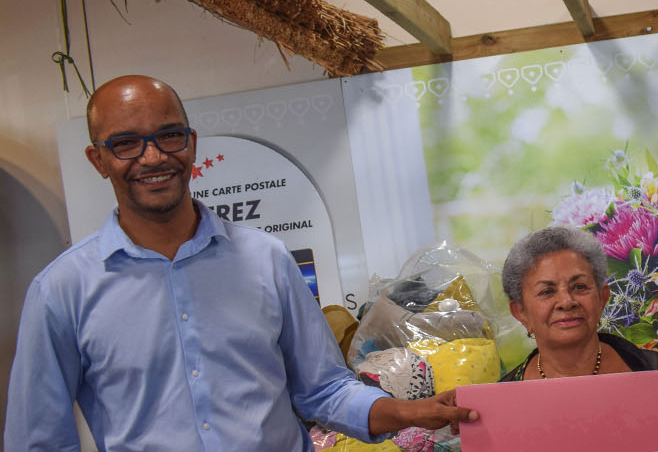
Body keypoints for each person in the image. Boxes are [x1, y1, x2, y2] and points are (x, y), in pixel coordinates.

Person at [4, 76, 475, 452]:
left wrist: (408, 412)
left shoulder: (265, 259)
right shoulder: (63, 289)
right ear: (98, 159)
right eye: (126, 143)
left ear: (190, 145)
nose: (153, 156)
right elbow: (37, 440)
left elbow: (323, 390)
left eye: (169, 136)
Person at [499, 226, 658, 381]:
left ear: (601, 298)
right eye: (547, 291)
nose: (567, 302)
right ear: (521, 312)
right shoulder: (502, 401)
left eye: (579, 287)